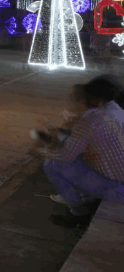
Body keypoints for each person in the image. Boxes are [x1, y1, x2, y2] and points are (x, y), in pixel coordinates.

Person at [42, 78, 124, 227]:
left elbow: (65, 155)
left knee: (52, 164)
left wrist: (46, 148)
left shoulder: (90, 121)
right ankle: (85, 197)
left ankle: (79, 213)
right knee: (74, 152)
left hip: (117, 190)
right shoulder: (115, 110)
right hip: (119, 180)